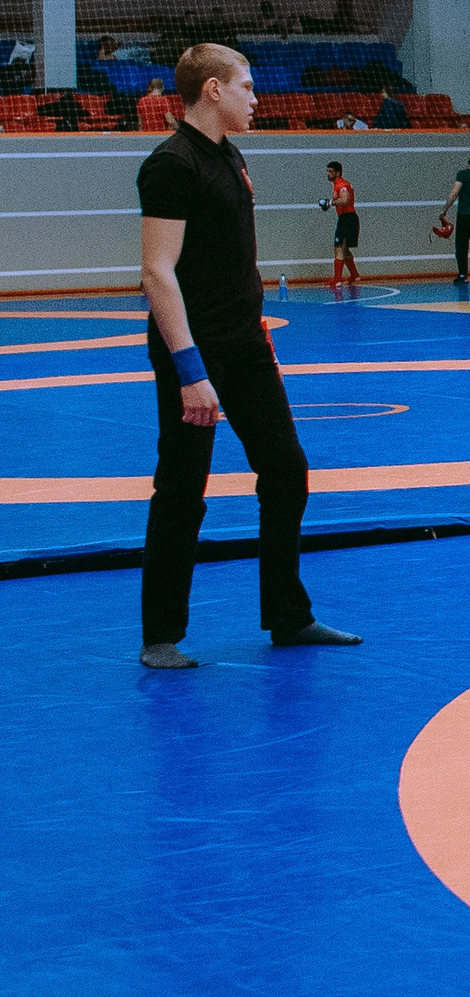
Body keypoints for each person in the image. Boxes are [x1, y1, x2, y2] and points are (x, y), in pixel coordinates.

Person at [134, 43, 357, 669]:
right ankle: (160, 635)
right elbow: (157, 273)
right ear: (213, 90)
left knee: (286, 470)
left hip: (246, 344)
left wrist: (256, 334)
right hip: (194, 351)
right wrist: (190, 372)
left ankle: (288, 615)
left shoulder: (230, 155)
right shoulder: (171, 165)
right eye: (247, 87)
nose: (256, 99)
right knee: (183, 487)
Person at [321, 158, 360, 289]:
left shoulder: (342, 184)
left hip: (347, 219)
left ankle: (337, 279)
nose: (328, 174)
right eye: (327, 171)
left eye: (331, 171)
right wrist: (328, 204)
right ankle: (354, 275)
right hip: (346, 218)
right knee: (344, 249)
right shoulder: (337, 184)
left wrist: (330, 202)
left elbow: (344, 200)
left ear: (337, 173)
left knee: (339, 248)